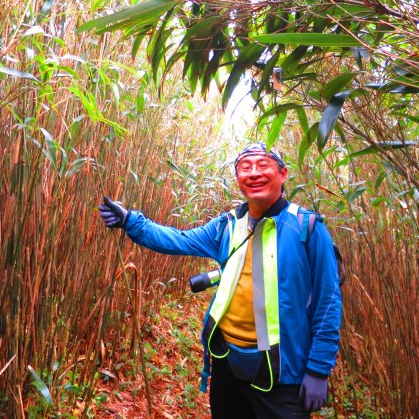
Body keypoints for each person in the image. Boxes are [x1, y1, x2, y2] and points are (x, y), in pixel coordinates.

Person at [99, 142, 342, 418]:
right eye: (245, 167)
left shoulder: (307, 228)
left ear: (283, 174)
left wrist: (318, 370)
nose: (253, 173)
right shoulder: (228, 225)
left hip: (281, 373)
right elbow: (180, 240)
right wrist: (131, 220)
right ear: (237, 178)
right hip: (228, 362)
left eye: (263, 166)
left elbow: (328, 303)